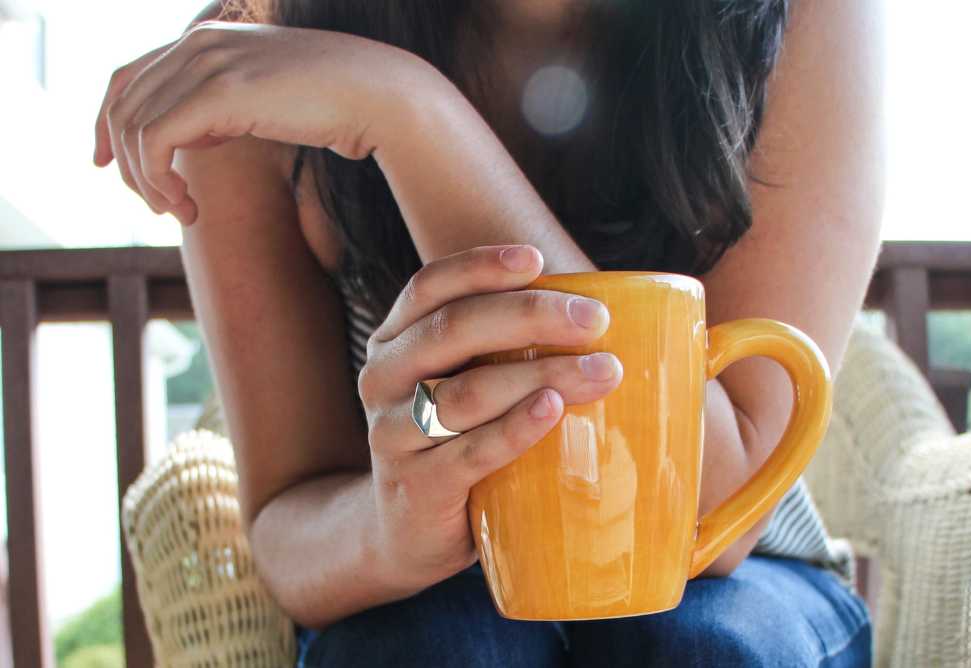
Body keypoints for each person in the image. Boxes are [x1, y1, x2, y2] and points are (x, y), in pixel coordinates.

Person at [93, 0, 883, 664]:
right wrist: (390, 529)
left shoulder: (796, 17)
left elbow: (711, 523)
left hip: (744, 583)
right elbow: (287, 524)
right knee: (419, 650)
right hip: (415, 593)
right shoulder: (252, 63)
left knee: (707, 645)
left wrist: (407, 114)